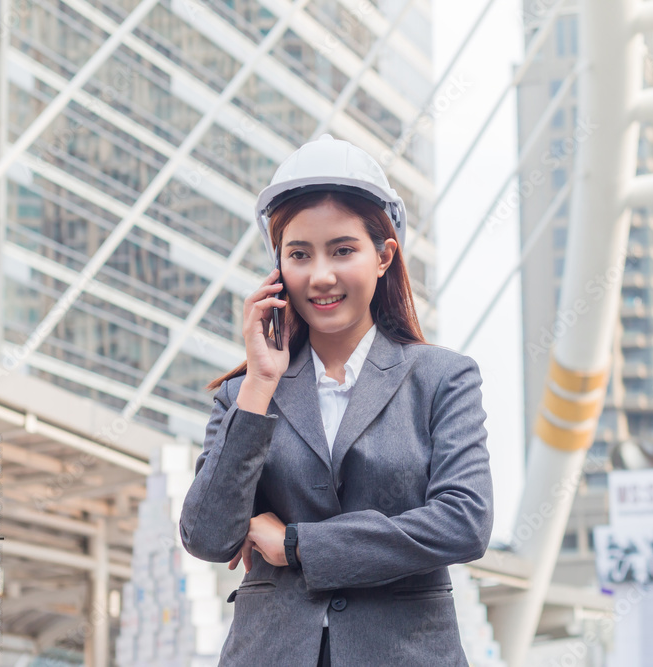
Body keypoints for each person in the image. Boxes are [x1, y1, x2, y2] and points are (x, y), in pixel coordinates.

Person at [179, 134, 494, 666]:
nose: (320, 275)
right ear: (279, 268)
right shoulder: (246, 393)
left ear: (382, 256)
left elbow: (464, 521)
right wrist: (260, 381)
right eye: (299, 254)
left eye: (343, 250)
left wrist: (297, 544)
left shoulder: (442, 379)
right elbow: (208, 536)